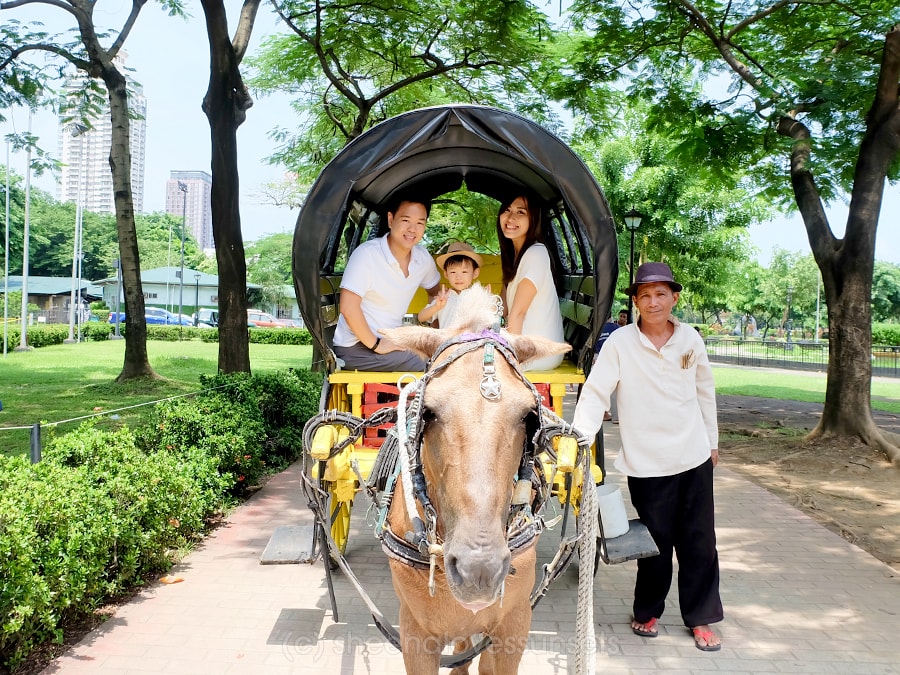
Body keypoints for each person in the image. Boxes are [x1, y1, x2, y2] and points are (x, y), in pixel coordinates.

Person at [572, 261, 723, 652]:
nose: (653, 302)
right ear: (636, 301)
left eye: (661, 294)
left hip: (693, 457)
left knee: (700, 543)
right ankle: (647, 610)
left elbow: (705, 391)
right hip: (647, 463)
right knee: (655, 544)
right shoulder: (621, 343)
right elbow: (595, 392)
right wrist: (580, 440)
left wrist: (712, 442)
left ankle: (701, 617)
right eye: (645, 295)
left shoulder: (690, 338)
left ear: (674, 297)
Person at [332, 196, 442, 371]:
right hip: (356, 347)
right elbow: (348, 308)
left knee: (446, 353)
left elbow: (436, 293)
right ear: (391, 219)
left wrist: (433, 327)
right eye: (406, 220)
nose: (412, 229)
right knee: (437, 363)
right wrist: (377, 345)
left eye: (420, 223)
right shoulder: (367, 255)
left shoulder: (422, 259)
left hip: (393, 342)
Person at [496, 193, 565, 371]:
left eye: (521, 212)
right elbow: (502, 308)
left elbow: (517, 313)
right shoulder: (516, 257)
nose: (511, 218)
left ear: (533, 219)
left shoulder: (536, 254)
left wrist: (511, 363)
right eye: (507, 210)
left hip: (537, 353)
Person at [417, 242, 482, 328]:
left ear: (475, 273)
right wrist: (436, 306)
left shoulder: (479, 295)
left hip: (472, 341)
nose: (458, 277)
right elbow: (421, 317)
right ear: (446, 274)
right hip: (447, 341)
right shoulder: (444, 297)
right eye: (453, 272)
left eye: (464, 272)